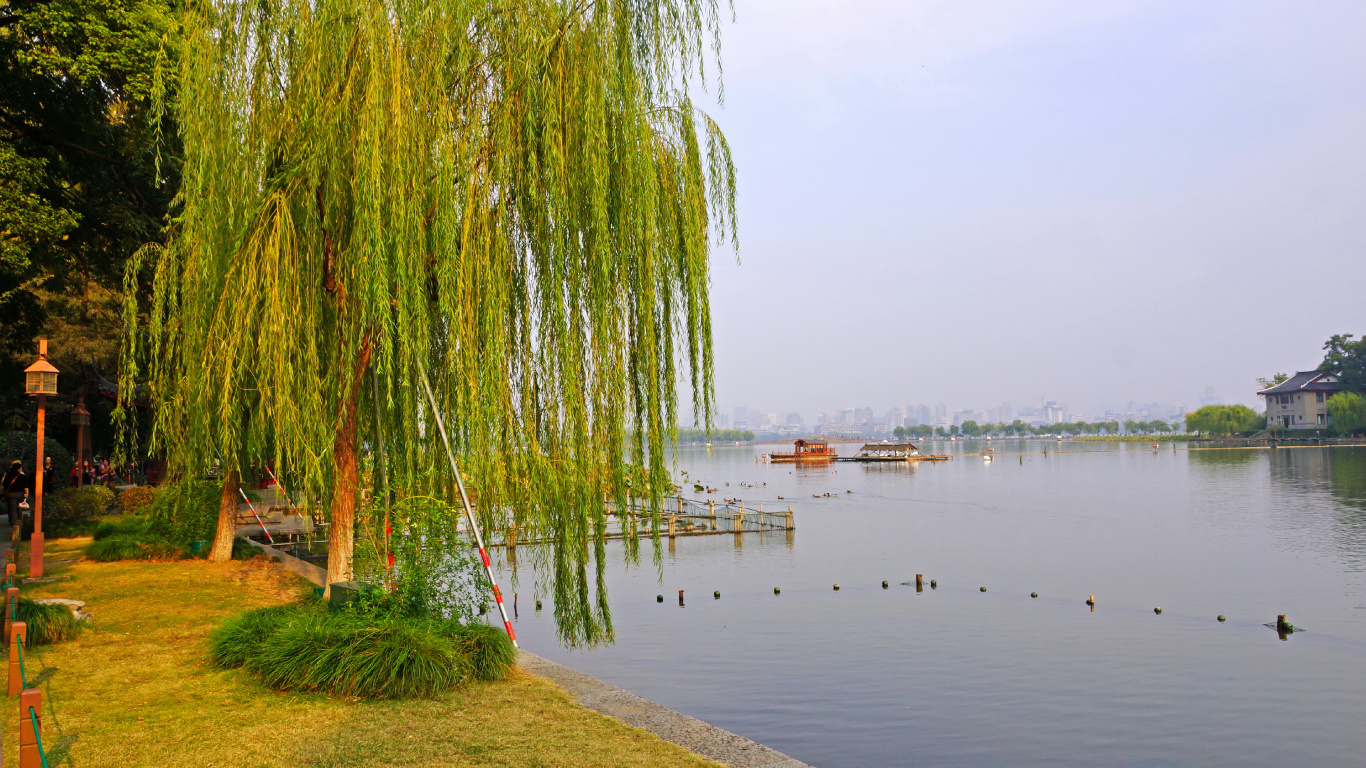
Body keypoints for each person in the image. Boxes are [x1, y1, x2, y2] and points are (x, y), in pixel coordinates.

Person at [3, 461, 30, 526]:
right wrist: (26, 494)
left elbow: (4, 484)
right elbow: (25, 486)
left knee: (12, 508)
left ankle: (14, 522)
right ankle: (19, 521)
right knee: (19, 507)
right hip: (20, 494)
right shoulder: (22, 476)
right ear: (19, 468)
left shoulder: (8, 475)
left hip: (11, 494)